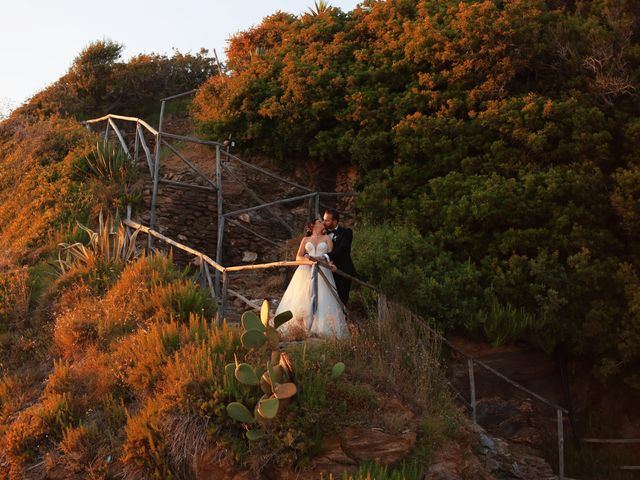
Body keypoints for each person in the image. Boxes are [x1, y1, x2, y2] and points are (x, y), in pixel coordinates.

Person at [274, 218, 350, 340]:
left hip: (322, 271)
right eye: (320, 222)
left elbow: (331, 257)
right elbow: (298, 257)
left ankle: (322, 328)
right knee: (303, 298)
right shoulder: (305, 240)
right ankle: (301, 328)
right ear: (313, 225)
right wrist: (309, 260)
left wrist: (329, 264)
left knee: (323, 298)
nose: (323, 223)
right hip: (305, 271)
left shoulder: (327, 239)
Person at [322, 209, 356, 307]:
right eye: (323, 220)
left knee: (342, 299)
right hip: (327, 272)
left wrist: (326, 256)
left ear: (335, 221)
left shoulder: (346, 232)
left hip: (342, 271)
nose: (324, 222)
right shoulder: (323, 234)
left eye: (327, 220)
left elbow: (343, 249)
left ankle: (342, 320)